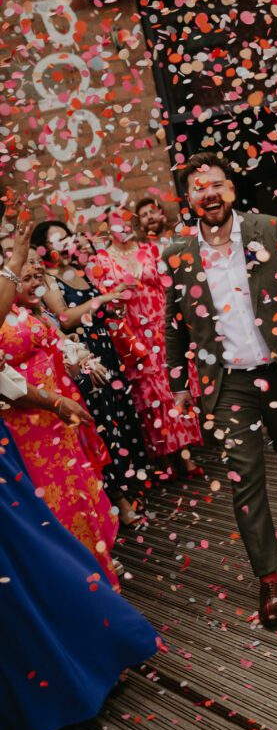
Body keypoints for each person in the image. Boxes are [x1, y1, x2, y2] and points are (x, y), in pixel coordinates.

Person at [0, 215, 157, 730]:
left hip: (44, 426)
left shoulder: (24, 301)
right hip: (21, 434)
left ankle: (95, 638)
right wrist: (15, 258)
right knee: (40, 548)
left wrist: (60, 393)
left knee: (65, 532)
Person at [162, 151, 277, 629]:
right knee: (245, 479)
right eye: (199, 187)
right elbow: (175, 326)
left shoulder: (268, 228)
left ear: (231, 188)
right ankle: (269, 577)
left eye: (216, 183)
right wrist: (178, 384)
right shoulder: (177, 253)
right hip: (228, 383)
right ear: (190, 197)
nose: (209, 193)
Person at [0, 251, 120, 588]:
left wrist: (83, 360)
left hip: (59, 418)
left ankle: (98, 569)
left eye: (37, 278)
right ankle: (75, 579)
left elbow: (62, 344)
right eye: (25, 279)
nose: (34, 284)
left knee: (79, 491)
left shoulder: (28, 312)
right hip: (27, 424)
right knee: (53, 502)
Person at [31, 219, 152, 524]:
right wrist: (103, 299)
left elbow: (92, 309)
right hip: (82, 353)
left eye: (66, 237)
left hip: (105, 346)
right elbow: (65, 318)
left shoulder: (80, 272)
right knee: (102, 422)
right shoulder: (47, 280)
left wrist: (111, 309)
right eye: (56, 240)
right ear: (43, 248)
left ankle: (133, 484)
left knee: (122, 414)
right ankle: (118, 500)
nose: (65, 243)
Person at [91, 206, 203, 480]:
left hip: (162, 327)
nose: (124, 226)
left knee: (173, 389)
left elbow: (169, 285)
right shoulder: (101, 260)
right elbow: (102, 302)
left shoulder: (151, 250)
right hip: (132, 333)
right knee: (151, 399)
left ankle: (187, 458)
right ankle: (164, 459)